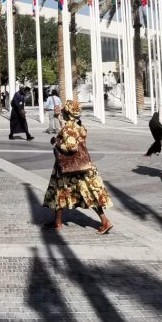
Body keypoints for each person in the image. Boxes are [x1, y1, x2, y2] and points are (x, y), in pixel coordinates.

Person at [42, 99, 113, 234]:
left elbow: (71, 147)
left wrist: (57, 143)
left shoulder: (69, 128)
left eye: (63, 111)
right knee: (66, 192)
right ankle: (58, 221)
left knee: (65, 191)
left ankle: (105, 221)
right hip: (82, 165)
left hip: (70, 167)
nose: (62, 112)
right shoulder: (79, 125)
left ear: (67, 113)